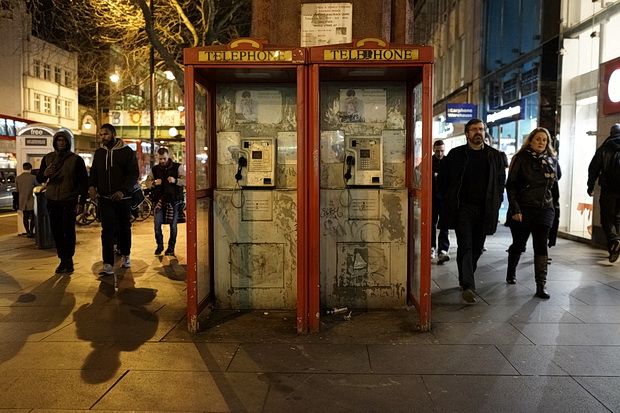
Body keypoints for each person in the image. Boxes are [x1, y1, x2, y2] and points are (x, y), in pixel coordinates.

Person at [439, 119, 506, 303]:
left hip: (484, 209)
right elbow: (443, 180)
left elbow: (501, 181)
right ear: (467, 133)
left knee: (477, 247)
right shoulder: (456, 154)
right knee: (466, 245)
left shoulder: (495, 156)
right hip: (463, 209)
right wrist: (449, 200)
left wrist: (497, 199)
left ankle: (464, 277)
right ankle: (469, 285)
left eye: (481, 129)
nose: (478, 132)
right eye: (474, 129)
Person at [505, 128, 558, 299]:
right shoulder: (521, 159)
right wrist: (515, 208)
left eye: (545, 140)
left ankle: (541, 285)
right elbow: (511, 185)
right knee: (519, 244)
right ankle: (511, 271)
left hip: (545, 209)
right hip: (524, 208)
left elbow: (555, 184)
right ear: (531, 141)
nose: (541, 142)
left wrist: (554, 208)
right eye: (538, 139)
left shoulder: (551, 160)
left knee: (541, 245)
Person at [88, 124, 139, 276]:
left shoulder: (126, 152)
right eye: (101, 134)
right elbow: (94, 173)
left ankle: (126, 254)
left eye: (106, 134)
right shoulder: (99, 153)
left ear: (114, 134)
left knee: (124, 228)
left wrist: (122, 190)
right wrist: (91, 186)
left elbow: (133, 173)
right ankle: (108, 263)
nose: (103, 137)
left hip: (123, 198)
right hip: (105, 198)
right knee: (107, 230)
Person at [36, 130, 88, 273]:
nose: (61, 143)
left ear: (68, 143)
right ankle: (62, 259)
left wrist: (81, 202)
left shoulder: (76, 160)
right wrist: (45, 174)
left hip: (69, 200)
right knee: (56, 231)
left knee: (68, 230)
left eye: (63, 141)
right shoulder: (48, 158)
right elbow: (39, 178)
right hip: (53, 200)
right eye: (58, 140)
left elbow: (83, 182)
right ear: (55, 142)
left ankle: (69, 259)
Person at [587, 123, 620, 263]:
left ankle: (614, 240)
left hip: (608, 190)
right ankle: (613, 251)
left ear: (611, 132)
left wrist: (590, 185)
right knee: (617, 218)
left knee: (606, 219)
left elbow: (593, 168)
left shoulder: (605, 147)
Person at [145, 147, 186, 256]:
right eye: (160, 159)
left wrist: (175, 181)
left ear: (169, 156)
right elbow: (147, 182)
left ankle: (171, 247)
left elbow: (186, 180)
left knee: (173, 226)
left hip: (174, 201)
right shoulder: (154, 169)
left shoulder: (178, 167)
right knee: (157, 225)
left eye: (164, 158)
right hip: (159, 200)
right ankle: (160, 245)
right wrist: (154, 183)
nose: (162, 161)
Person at [431, 140, 450, 264]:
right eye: (437, 151)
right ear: (433, 149)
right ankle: (432, 247)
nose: (439, 153)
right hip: (432, 197)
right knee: (431, 224)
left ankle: (443, 249)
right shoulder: (429, 161)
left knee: (444, 225)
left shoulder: (449, 161)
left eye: (442, 151)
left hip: (444, 198)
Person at [15, 162, 39, 238]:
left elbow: (17, 190)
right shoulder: (33, 177)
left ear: (23, 168)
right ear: (30, 169)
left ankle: (27, 231)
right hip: (31, 199)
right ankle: (31, 230)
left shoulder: (18, 178)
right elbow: (38, 187)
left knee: (25, 216)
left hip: (22, 200)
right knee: (33, 216)